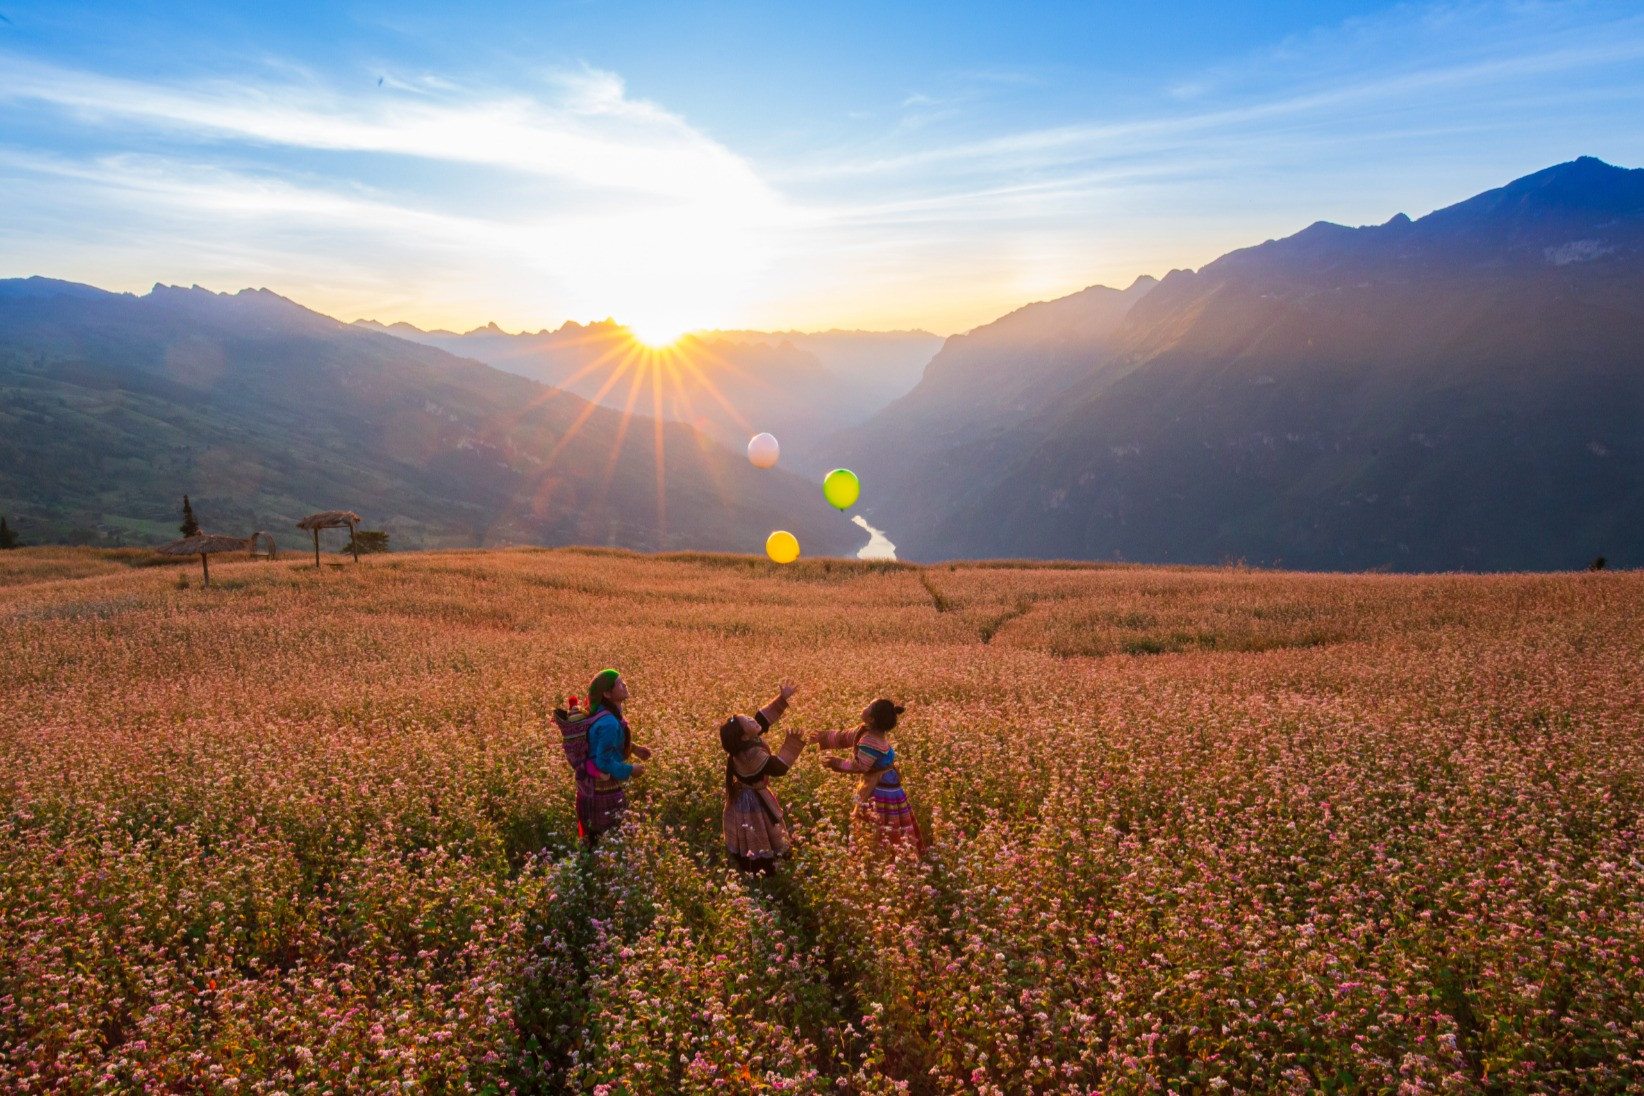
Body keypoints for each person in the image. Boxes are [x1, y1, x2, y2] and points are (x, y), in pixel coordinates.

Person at [813, 698, 925, 852]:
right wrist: (823, 737)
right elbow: (845, 737)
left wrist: (836, 763)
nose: (864, 707)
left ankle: (882, 853)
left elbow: (861, 766)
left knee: (878, 820)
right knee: (888, 821)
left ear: (871, 718)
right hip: (885, 780)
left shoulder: (870, 741)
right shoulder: (866, 730)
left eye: (868, 706)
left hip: (879, 785)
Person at [720, 679, 806, 874]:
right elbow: (778, 767)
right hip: (752, 801)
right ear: (744, 736)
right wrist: (791, 745)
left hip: (749, 796)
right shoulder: (749, 755)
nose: (753, 720)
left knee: (756, 833)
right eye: (748, 722)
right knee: (758, 832)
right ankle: (764, 869)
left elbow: (762, 718)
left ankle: (762, 864)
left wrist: (782, 698)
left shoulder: (745, 741)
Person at [558, 669, 650, 845]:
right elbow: (603, 760)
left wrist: (633, 749)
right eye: (619, 684)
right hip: (601, 790)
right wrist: (631, 770)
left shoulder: (605, 713)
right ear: (607, 694)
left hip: (592, 787)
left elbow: (601, 745)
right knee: (607, 839)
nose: (625, 685)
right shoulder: (608, 722)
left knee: (597, 841)